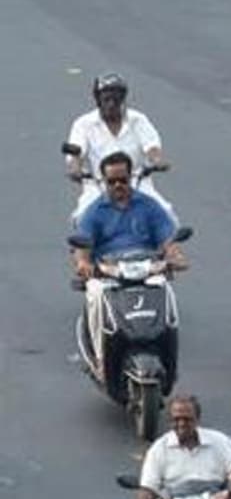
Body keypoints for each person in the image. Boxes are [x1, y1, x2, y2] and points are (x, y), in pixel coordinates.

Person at [74, 152, 186, 370]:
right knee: (95, 293)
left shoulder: (149, 206)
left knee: (166, 290)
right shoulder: (94, 212)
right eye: (112, 181)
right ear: (104, 182)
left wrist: (175, 257)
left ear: (131, 177)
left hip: (147, 268)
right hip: (109, 273)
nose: (118, 185)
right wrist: (84, 264)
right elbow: (82, 248)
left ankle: (168, 352)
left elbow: (168, 240)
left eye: (122, 180)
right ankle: (99, 357)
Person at [65, 72, 175, 225]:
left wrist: (157, 161)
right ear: (98, 100)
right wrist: (75, 169)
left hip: (136, 181)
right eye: (106, 99)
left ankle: (170, 249)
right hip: (99, 184)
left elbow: (152, 147)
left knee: (165, 213)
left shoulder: (138, 120)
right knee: (83, 218)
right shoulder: (83, 124)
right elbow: (76, 152)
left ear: (123, 100)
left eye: (116, 100)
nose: (111, 104)